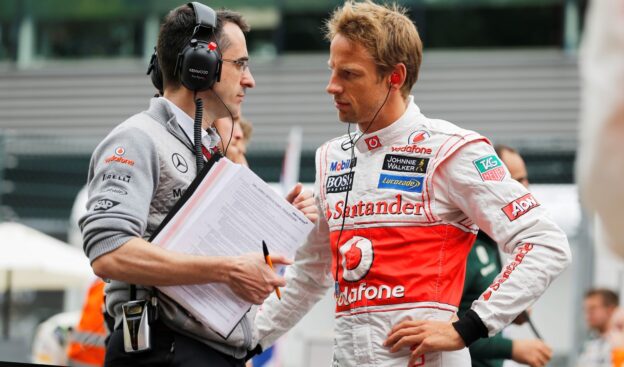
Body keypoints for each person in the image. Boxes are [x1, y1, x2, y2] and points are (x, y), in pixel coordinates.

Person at [252, 1, 571, 366]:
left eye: (349, 74)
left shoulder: (451, 149)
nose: (331, 86)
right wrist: (243, 344)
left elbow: (545, 242)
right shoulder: (331, 158)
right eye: (332, 71)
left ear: (395, 76)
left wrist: (469, 326)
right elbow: (309, 274)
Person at [79, 3, 315, 366]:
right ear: (200, 66)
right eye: (241, 64)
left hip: (211, 352)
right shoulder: (137, 138)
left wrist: (277, 222)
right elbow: (109, 251)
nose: (249, 79)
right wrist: (227, 270)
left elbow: (211, 251)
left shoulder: (207, 147)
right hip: (166, 351)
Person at [459, 145, 552, 367]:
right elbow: (444, 333)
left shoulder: (493, 240)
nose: (525, 189)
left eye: (525, 179)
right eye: (516, 181)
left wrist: (506, 312)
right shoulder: (466, 246)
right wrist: (513, 349)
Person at [577, 288, 619, 367]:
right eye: (585, 309)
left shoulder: (620, 345)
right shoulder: (588, 345)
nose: (587, 314)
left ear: (611, 310)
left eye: (592, 308)